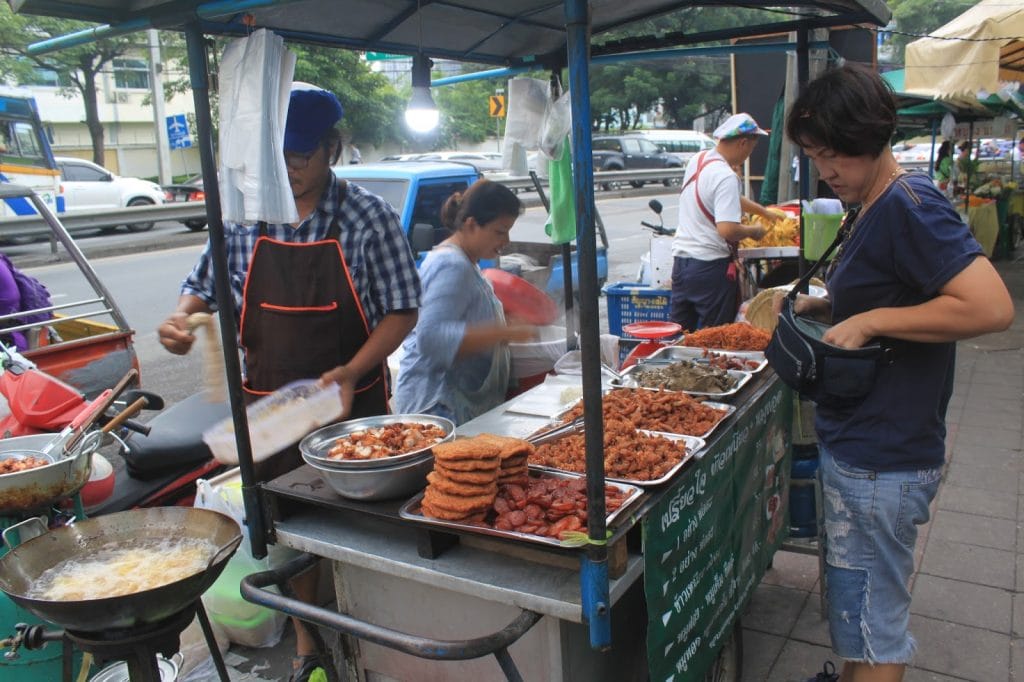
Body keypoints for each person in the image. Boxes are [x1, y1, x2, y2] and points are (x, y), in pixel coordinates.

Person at [157, 87, 421, 682]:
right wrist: (182, 316)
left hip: (352, 402)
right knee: (289, 523)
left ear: (333, 147)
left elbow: (403, 309)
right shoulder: (245, 212)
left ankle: (372, 631)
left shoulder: (365, 218)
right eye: (276, 156)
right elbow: (203, 283)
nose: (288, 169)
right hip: (269, 404)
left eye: (299, 155)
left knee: (359, 526)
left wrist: (353, 371)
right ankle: (309, 638)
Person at [782, 64, 1014, 682]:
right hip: (864, 442)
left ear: (869, 138)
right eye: (812, 156)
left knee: (878, 626)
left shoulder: (911, 205)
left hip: (883, 456)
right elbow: (895, 284)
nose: (824, 170)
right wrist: (830, 304)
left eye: (831, 155)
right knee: (859, 611)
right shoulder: (875, 201)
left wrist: (873, 320)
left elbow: (992, 308)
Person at [394, 179, 535, 424]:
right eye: (499, 231)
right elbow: (431, 338)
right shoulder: (451, 265)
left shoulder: (467, 262)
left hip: (455, 404)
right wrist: (501, 332)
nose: (506, 240)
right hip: (437, 409)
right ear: (471, 225)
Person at [669, 112, 770, 331]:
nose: (749, 155)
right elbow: (727, 229)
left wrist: (763, 211)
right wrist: (754, 231)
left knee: (679, 334)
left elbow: (723, 198)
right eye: (751, 149)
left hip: (682, 265)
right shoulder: (725, 176)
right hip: (710, 270)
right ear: (743, 143)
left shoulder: (699, 160)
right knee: (714, 340)